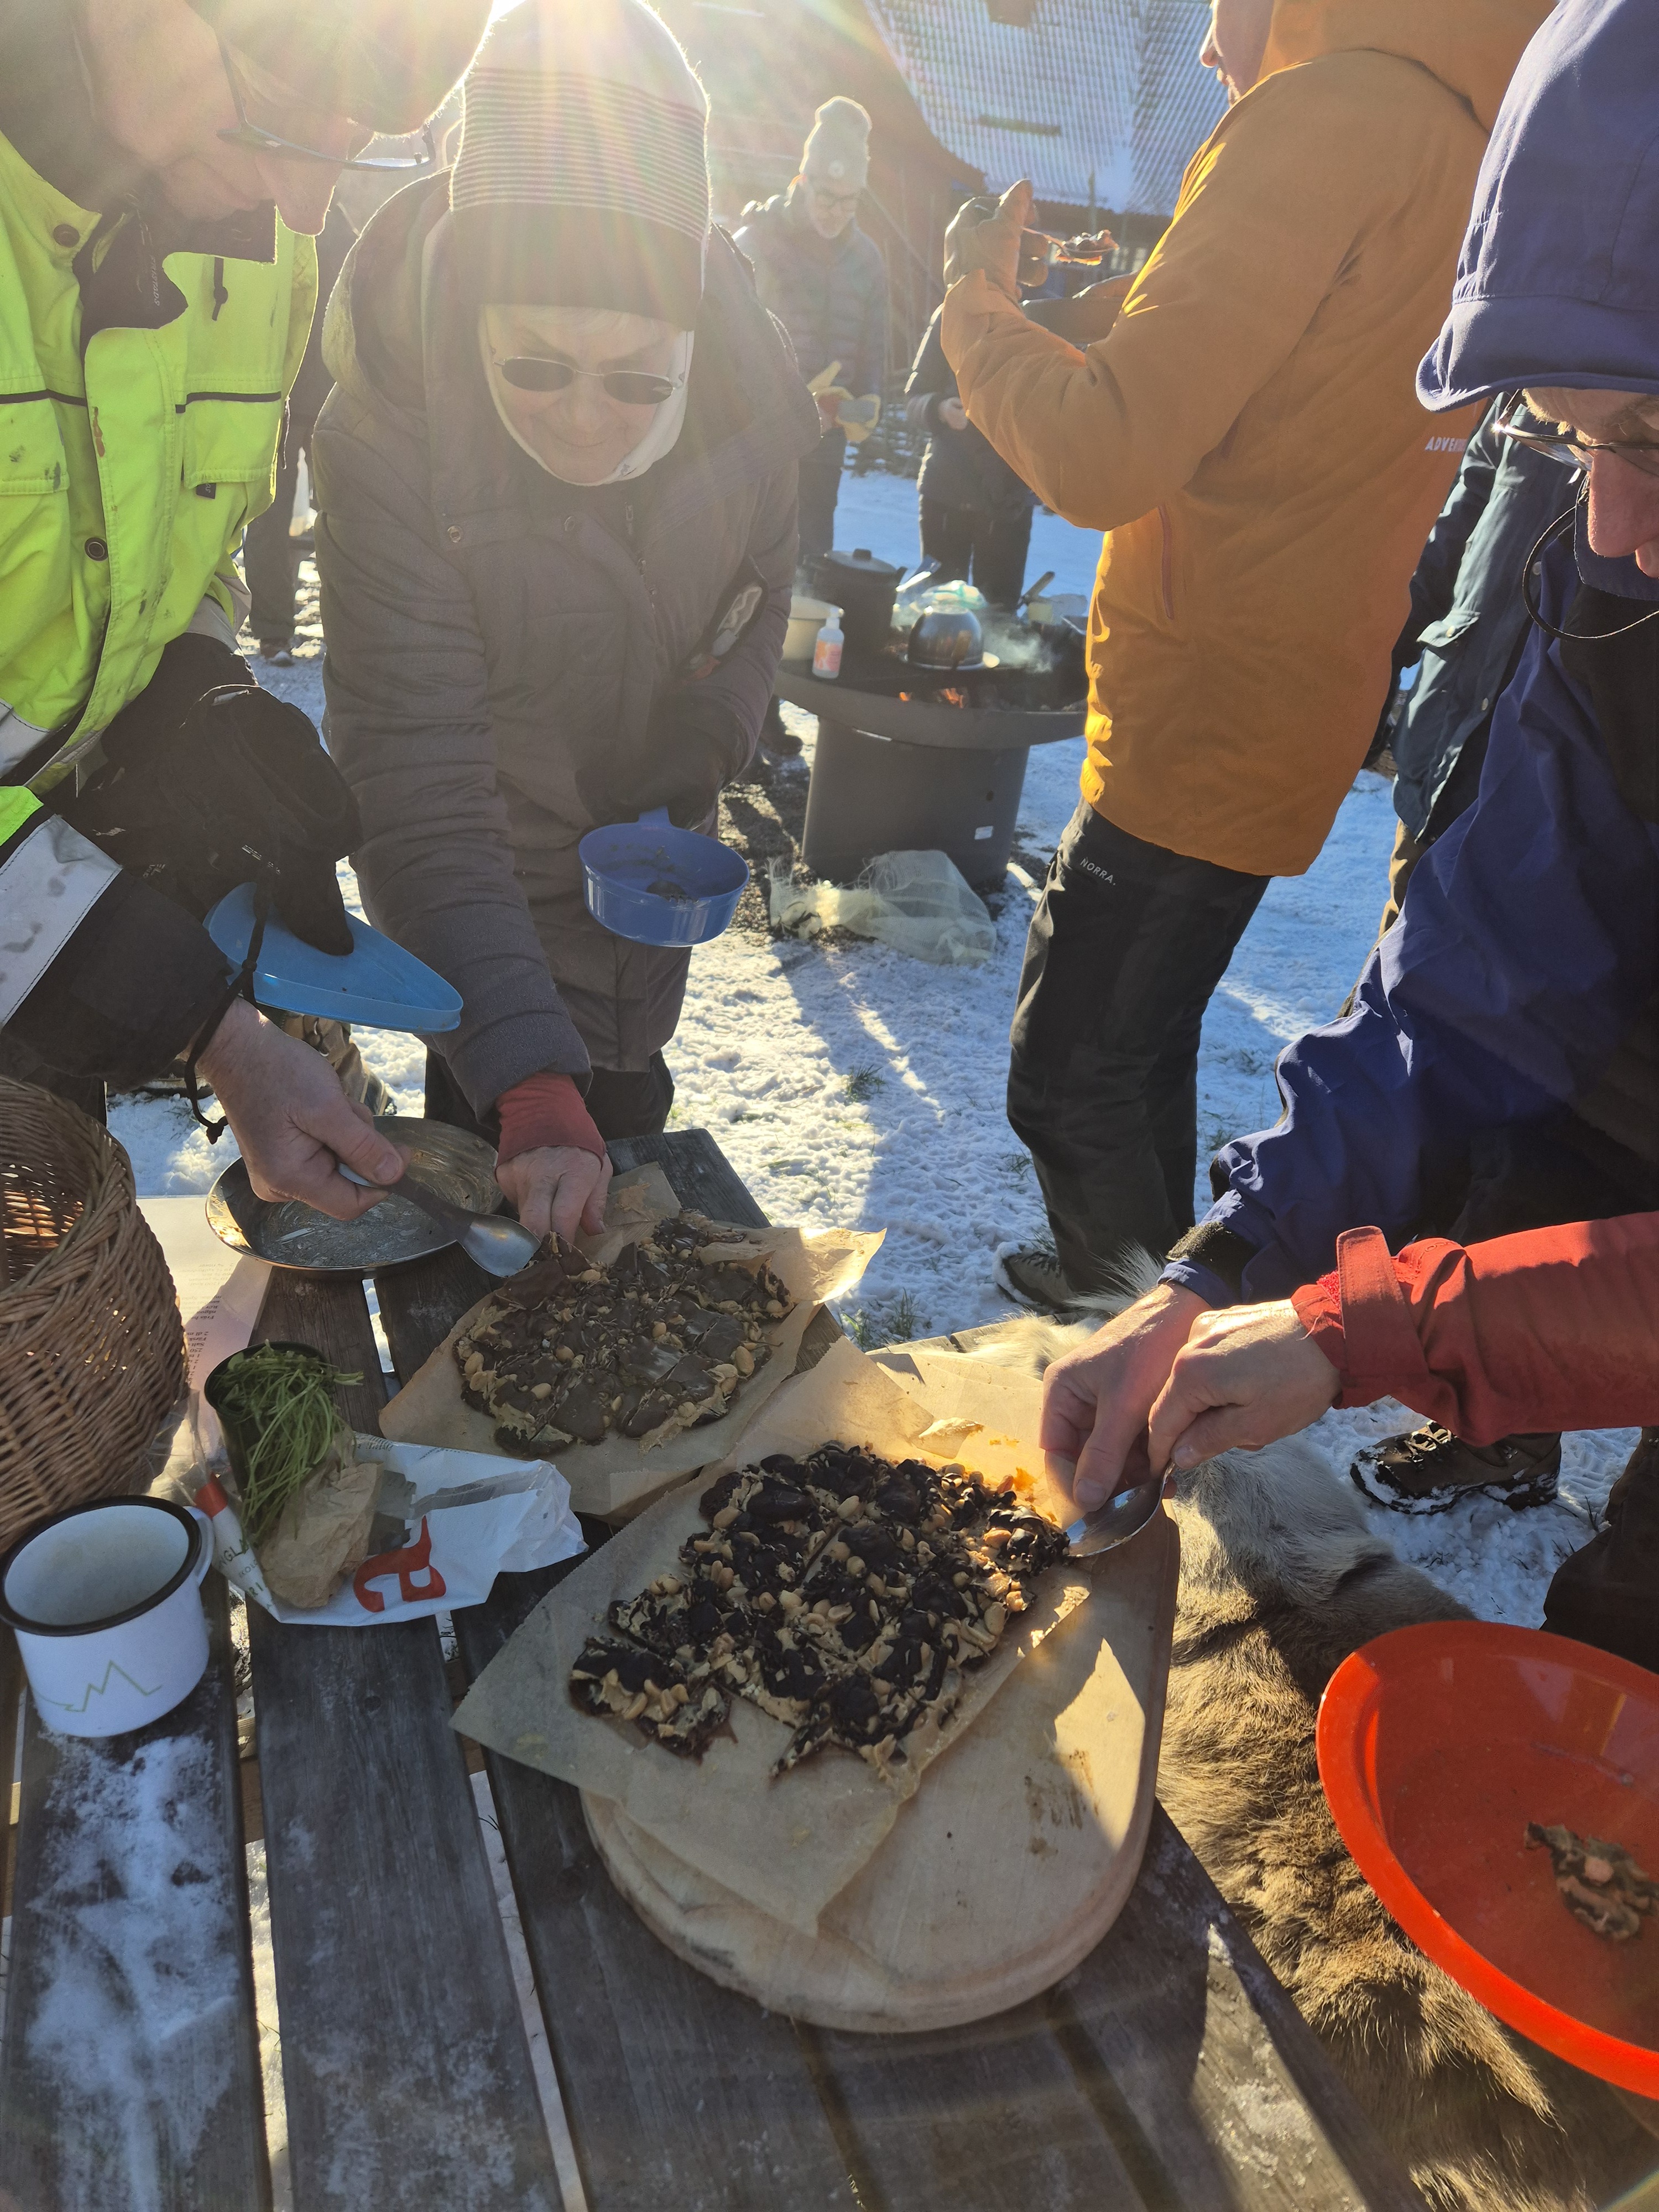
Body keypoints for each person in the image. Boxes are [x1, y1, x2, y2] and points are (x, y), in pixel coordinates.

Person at [1039, 0, 1659, 1665]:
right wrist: (1219, 1264)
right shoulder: (1620, 589)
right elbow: (1477, 982)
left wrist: (1368, 1324)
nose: (1616, 528)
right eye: (1567, 438)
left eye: (1657, 438)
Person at [936, 0, 1547, 1311]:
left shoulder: (1325, 114)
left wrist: (971, 309)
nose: (1210, 49)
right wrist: (1071, 308)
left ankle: (1146, 1376)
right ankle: (1130, 1268)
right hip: (1290, 690)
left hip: (1200, 697)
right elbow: (1272, 360)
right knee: (1137, 1039)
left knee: (1069, 1073)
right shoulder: (1467, 128)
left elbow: (1104, 453)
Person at [312, 0, 819, 1245]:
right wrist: (526, 1070)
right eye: (536, 366)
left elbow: (761, 598)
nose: (587, 418)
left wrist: (710, 727)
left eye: (637, 378)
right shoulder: (392, 438)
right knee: (501, 1221)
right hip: (481, 909)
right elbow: (417, 769)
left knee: (634, 1136)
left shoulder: (760, 414)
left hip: (644, 910)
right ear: (473, 313)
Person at [0, 0, 486, 1218]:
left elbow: (184, 552)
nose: (309, 205)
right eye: (283, 118)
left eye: (359, 145)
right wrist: (191, 1014)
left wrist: (195, 696)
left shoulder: (263, 230)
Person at [1373, 392, 1574, 930]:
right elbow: (1467, 506)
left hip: (1560, 785)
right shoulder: (1543, 360)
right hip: (1450, 736)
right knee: (1399, 940)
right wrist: (1384, 651)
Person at [736, 97, 887, 761]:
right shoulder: (759, 241)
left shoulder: (870, 262)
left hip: (821, 447)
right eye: (826, 197)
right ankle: (723, 705)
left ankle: (768, 705)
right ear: (802, 181)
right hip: (755, 442)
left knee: (798, 578)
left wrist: (865, 402)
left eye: (849, 203)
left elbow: (875, 352)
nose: (835, 214)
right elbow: (730, 344)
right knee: (737, 570)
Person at [241, 197, 357, 664]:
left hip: (284, 389)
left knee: (272, 514)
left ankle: (274, 634)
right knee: (340, 516)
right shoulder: (337, 227)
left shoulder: (261, 222)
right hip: (318, 391)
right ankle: (342, 626)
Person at [904, 300, 1035, 611]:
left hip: (1010, 496)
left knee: (999, 620)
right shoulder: (953, 312)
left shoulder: (1043, 314)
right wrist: (939, 408)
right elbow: (913, 398)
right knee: (937, 614)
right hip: (947, 492)